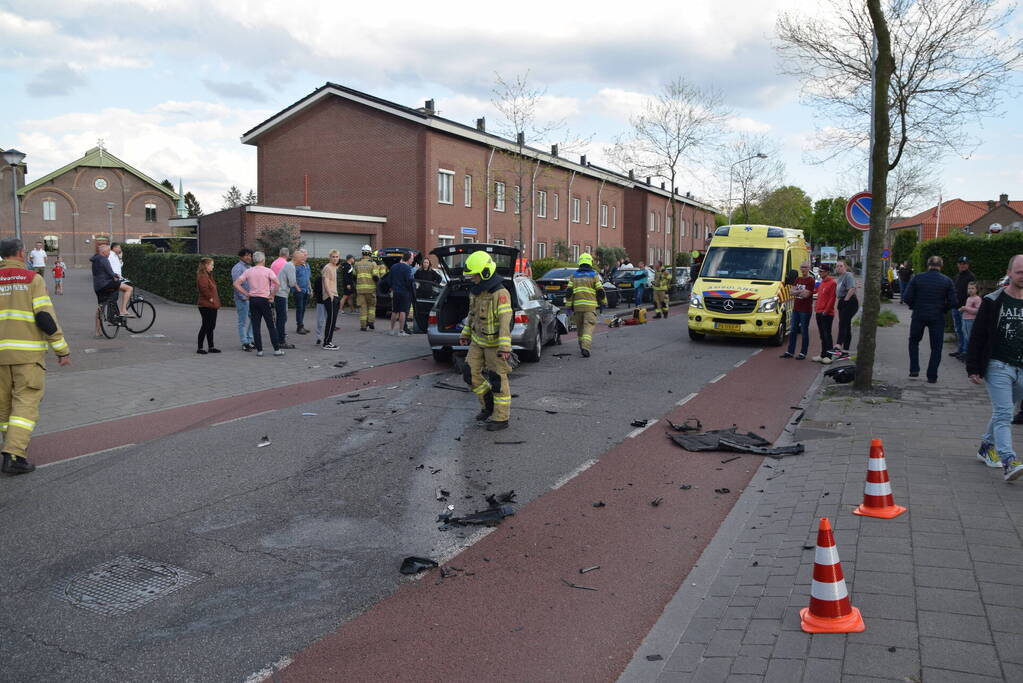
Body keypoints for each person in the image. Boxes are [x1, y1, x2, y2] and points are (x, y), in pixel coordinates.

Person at [0, 238, 71, 475]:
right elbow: (45, 318)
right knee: (25, 404)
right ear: (21, 253)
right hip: (27, 356)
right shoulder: (33, 279)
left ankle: (9, 446)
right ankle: (14, 455)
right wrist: (62, 350)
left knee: (4, 408)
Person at [966, 254, 1023, 481]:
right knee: (1003, 413)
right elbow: (978, 335)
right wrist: (973, 367)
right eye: (1019, 271)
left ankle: (985, 447)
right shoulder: (993, 301)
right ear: (1009, 273)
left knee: (1006, 410)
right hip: (998, 364)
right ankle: (1009, 460)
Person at [459, 251, 512, 432]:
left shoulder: (500, 293)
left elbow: (505, 320)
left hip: (495, 345)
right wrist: (465, 333)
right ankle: (488, 404)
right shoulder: (476, 292)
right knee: (469, 373)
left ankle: (501, 417)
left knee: (497, 380)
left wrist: (505, 347)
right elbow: (472, 315)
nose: (472, 278)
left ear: (485, 273)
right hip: (477, 341)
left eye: (474, 275)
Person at [903, 255, 956, 383]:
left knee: (914, 341)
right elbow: (953, 301)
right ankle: (932, 375)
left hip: (919, 314)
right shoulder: (947, 281)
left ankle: (914, 369)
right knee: (936, 347)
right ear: (941, 266)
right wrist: (943, 309)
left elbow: (907, 297)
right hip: (937, 316)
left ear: (928, 265)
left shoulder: (918, 278)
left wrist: (914, 306)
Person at [232, 251, 283, 357]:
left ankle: (259, 351)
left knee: (256, 325)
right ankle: (276, 349)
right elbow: (277, 283)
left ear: (254, 260)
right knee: (270, 325)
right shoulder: (268, 271)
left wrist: (247, 293)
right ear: (263, 260)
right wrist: (272, 295)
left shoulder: (249, 271)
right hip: (264, 300)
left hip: (253, 300)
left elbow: (236, 284)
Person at [565, 252, 606, 358]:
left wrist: (568, 307)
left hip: (578, 308)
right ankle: (585, 347)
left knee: (580, 329)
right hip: (590, 307)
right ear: (590, 262)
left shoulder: (573, 276)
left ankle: (581, 346)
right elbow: (600, 291)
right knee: (588, 327)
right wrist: (604, 302)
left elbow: (569, 293)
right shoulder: (594, 275)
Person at [781, 261, 816, 360]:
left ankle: (803, 353)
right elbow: (791, 292)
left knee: (804, 331)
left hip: (805, 310)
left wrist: (797, 292)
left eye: (805, 267)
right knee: (793, 331)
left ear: (809, 268)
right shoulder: (798, 279)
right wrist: (800, 292)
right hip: (796, 309)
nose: (803, 269)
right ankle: (790, 351)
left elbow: (807, 295)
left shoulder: (811, 280)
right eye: (802, 267)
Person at [91, 243, 120, 337]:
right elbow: (110, 272)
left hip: (97, 287)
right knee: (125, 287)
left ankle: (97, 331)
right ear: (103, 252)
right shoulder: (104, 259)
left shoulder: (95, 260)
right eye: (108, 251)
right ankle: (115, 308)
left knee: (100, 307)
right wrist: (116, 276)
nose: (109, 253)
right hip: (105, 285)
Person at [951, 256, 976, 359]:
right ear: (958, 264)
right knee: (958, 330)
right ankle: (960, 349)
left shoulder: (971, 277)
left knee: (965, 331)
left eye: (964, 263)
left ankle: (966, 352)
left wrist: (966, 306)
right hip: (955, 307)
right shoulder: (957, 276)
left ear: (968, 265)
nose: (962, 265)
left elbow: (973, 292)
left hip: (965, 308)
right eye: (960, 263)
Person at [195, 257, 221, 354]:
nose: (213, 267)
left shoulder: (208, 275)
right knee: (206, 325)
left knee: (211, 326)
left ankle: (211, 346)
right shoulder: (203, 276)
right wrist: (210, 298)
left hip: (211, 305)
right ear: (206, 265)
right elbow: (203, 288)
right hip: (206, 305)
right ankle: (200, 348)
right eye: (212, 265)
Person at [833, 259, 858, 360]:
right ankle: (845, 351)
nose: (839, 268)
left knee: (843, 323)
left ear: (845, 267)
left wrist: (846, 300)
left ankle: (838, 345)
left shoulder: (848, 275)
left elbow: (852, 288)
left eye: (841, 266)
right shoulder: (840, 278)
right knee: (846, 326)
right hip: (842, 301)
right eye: (837, 266)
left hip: (849, 302)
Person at [231, 248, 255, 351]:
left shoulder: (250, 267)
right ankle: (244, 342)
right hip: (242, 299)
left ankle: (249, 340)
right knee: (243, 322)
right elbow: (236, 284)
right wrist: (243, 297)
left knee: (254, 319)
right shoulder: (237, 268)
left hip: (251, 298)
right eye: (246, 255)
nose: (249, 257)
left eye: (250, 255)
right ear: (241, 256)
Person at [812, 263, 836, 365]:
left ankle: (829, 356)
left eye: (821, 271)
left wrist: (826, 311)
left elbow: (832, 298)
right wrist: (816, 307)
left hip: (826, 313)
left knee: (827, 335)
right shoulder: (822, 282)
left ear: (827, 272)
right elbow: (819, 295)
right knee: (822, 335)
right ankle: (823, 354)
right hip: (819, 312)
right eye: (819, 271)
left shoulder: (832, 283)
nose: (820, 273)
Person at [353, 245, 380, 331]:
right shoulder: (373, 263)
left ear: (362, 253)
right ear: (370, 253)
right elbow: (376, 277)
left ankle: (363, 326)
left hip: (360, 290)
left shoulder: (357, 264)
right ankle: (371, 322)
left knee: (363, 308)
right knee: (371, 306)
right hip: (371, 290)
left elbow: (354, 276)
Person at [274, 253, 297, 350]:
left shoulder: (288, 265)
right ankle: (281, 341)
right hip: (281, 294)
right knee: (282, 318)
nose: (305, 259)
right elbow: (292, 283)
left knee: (280, 318)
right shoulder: (290, 266)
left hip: (279, 294)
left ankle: (279, 339)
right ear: (297, 258)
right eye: (303, 257)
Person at [389, 251, 415, 336]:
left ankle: (391, 330)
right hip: (404, 292)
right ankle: (401, 331)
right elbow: (409, 281)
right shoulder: (408, 268)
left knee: (394, 311)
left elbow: (389, 280)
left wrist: (392, 288)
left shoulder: (393, 266)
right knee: (403, 311)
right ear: (408, 259)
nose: (412, 260)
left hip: (395, 292)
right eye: (412, 259)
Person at [320, 250, 341, 349]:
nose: (335, 258)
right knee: (331, 320)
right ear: (330, 257)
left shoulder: (334, 267)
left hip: (334, 296)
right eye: (333, 256)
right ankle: (327, 343)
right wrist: (331, 296)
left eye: (337, 257)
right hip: (330, 297)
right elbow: (326, 282)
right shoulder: (328, 268)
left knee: (332, 320)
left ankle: (328, 341)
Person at [107, 242, 134, 317]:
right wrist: (115, 276)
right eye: (119, 247)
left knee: (127, 288)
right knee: (129, 289)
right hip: (113, 279)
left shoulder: (115, 255)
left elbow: (119, 265)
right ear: (114, 248)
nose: (120, 249)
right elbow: (110, 267)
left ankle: (118, 312)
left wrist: (120, 257)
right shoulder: (110, 256)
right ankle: (123, 310)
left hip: (117, 278)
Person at [293, 249, 312, 334]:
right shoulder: (296, 266)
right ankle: (299, 327)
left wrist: (310, 289)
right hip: (298, 291)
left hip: (305, 290)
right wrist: (298, 289)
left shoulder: (307, 265)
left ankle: (301, 325)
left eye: (306, 255)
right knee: (299, 308)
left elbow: (308, 279)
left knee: (303, 309)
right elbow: (293, 279)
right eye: (304, 254)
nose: (305, 256)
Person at [961, 281, 981, 354]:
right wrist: (962, 309)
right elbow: (967, 308)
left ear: (977, 290)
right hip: (965, 319)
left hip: (971, 320)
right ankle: (966, 352)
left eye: (972, 288)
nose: (970, 290)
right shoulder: (969, 298)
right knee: (965, 337)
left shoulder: (977, 299)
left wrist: (965, 308)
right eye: (969, 288)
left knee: (970, 337)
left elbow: (977, 311)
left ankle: (972, 353)